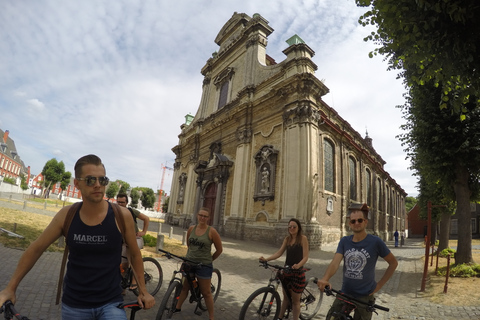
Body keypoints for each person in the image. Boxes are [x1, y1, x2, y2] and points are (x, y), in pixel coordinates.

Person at [0, 154, 155, 319]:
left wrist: (143, 291)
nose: (97, 185)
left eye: (102, 180)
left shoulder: (121, 215)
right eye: (90, 180)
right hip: (75, 306)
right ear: (76, 183)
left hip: (111, 303)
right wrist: (11, 288)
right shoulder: (67, 215)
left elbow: (135, 253)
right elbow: (36, 248)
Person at [317, 203, 398, 320]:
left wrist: (379, 285)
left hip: (365, 295)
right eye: (353, 221)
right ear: (350, 224)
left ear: (365, 222)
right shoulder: (344, 241)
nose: (356, 223)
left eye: (360, 220)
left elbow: (393, 263)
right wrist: (325, 278)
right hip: (346, 292)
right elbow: (335, 262)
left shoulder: (375, 242)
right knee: (331, 317)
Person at [174, 207, 223, 320]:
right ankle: (177, 307)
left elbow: (219, 250)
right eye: (201, 215)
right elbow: (189, 245)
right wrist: (190, 256)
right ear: (197, 215)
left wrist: (209, 260)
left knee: (206, 293)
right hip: (189, 263)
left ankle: (211, 316)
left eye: (205, 216)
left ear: (208, 218)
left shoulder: (212, 231)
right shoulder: (191, 229)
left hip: (203, 265)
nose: (202, 217)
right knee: (185, 287)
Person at [259, 218, 309, 320]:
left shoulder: (303, 238)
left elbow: (305, 257)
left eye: (294, 226)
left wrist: (298, 265)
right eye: (290, 226)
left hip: (297, 273)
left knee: (295, 302)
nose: (291, 228)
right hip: (287, 271)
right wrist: (266, 259)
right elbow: (279, 252)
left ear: (298, 228)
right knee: (286, 298)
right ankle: (279, 317)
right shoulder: (287, 239)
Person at [116, 193, 150, 292]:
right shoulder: (114, 212)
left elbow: (146, 219)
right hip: (124, 241)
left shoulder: (131, 211)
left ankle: (135, 281)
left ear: (126, 203)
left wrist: (143, 232)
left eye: (122, 202)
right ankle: (122, 288)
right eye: (118, 202)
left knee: (134, 256)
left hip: (135, 239)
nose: (120, 204)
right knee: (124, 265)